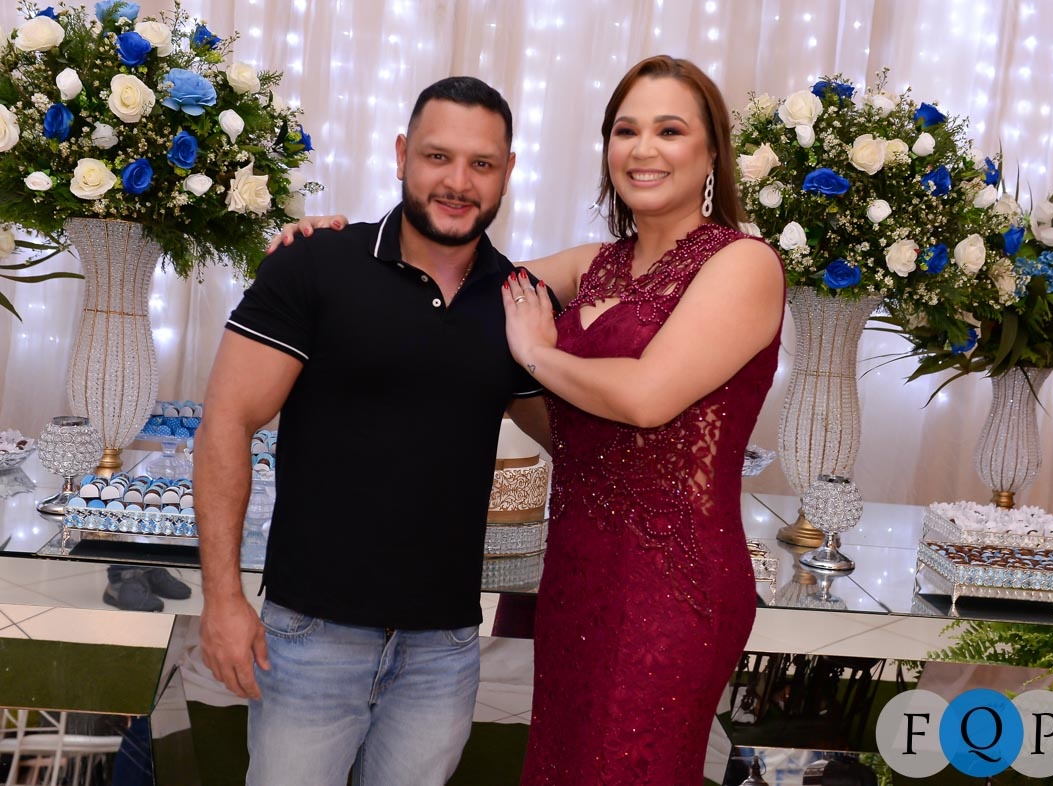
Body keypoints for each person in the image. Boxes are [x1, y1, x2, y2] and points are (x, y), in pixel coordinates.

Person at [281, 54, 784, 785]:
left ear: (712, 153)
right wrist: (340, 246)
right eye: (625, 130)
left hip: (673, 584)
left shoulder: (743, 263)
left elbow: (647, 397)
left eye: (670, 130)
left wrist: (538, 355)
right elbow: (452, 281)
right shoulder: (595, 266)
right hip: (575, 570)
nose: (643, 149)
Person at [193, 76, 550, 786]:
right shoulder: (316, 263)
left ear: (508, 171)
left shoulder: (519, 305)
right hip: (310, 636)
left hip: (444, 647)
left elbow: (584, 445)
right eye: (437, 156)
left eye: (481, 163)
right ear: (400, 155)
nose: (458, 181)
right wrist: (223, 598)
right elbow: (227, 423)